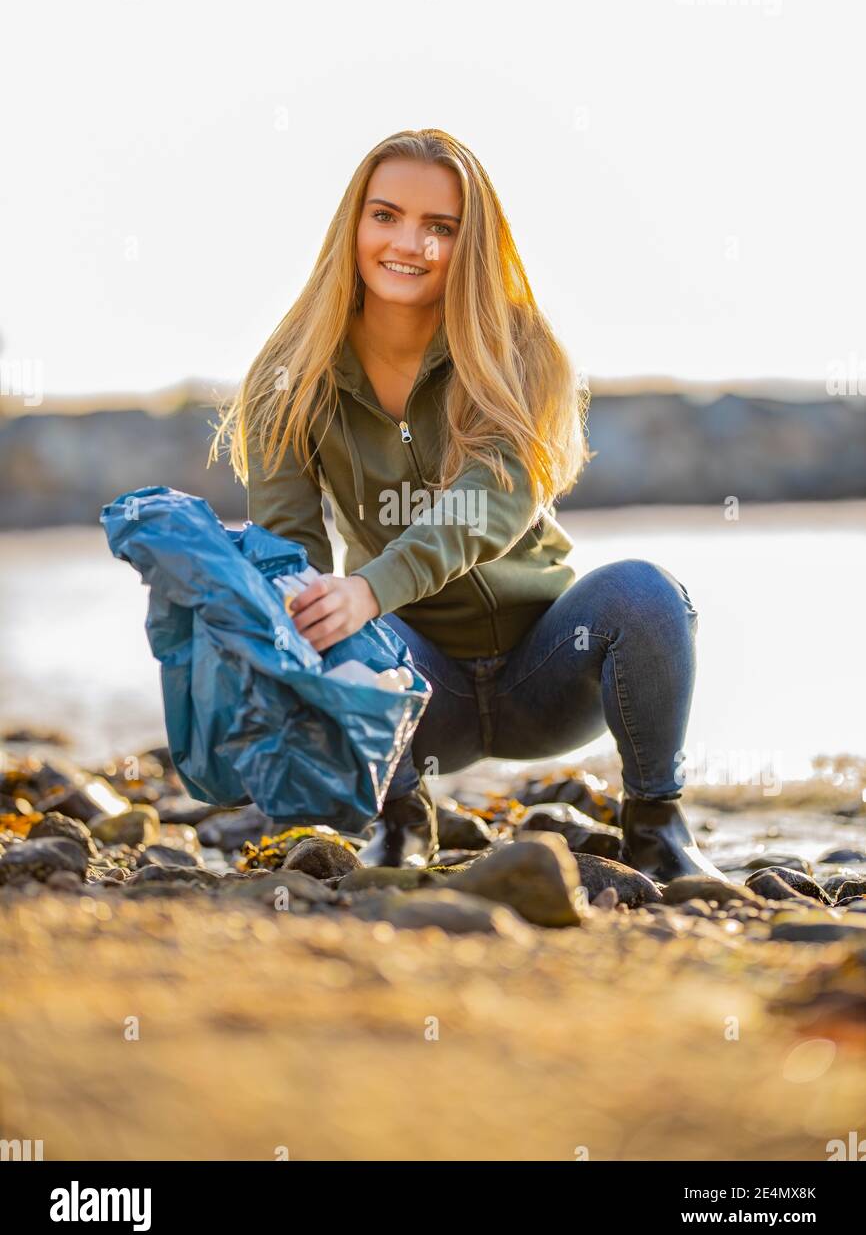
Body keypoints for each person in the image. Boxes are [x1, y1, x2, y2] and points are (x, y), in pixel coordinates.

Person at [211, 128, 724, 884]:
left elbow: (491, 503)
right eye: (385, 215)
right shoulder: (288, 376)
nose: (407, 243)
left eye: (439, 227)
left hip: (549, 672)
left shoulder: (520, 350)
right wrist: (293, 610)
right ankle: (399, 818)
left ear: (470, 240)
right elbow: (287, 544)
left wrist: (373, 585)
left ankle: (657, 825)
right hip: (417, 696)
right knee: (312, 608)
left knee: (647, 593)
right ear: (353, 224)